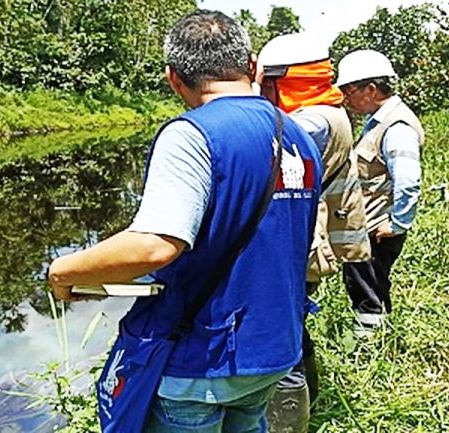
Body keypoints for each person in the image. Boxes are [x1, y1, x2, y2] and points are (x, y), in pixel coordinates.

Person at [47, 10, 322, 433]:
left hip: (202, 358)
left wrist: (64, 269)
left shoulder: (191, 134)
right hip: (274, 349)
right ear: (251, 67)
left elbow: (156, 245)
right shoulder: (297, 135)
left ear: (174, 78)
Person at [256, 32, 371, 429]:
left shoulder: (312, 121)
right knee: (294, 326)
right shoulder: (328, 110)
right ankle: (310, 401)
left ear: (287, 81)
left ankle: (290, 420)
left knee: (281, 334)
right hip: (308, 244)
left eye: (269, 84)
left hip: (299, 248)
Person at [335, 50, 425, 337]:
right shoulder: (377, 121)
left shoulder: (396, 126)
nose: (346, 98)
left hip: (377, 228)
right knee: (370, 284)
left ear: (371, 89)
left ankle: (367, 350)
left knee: (367, 289)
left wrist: (396, 223)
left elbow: (408, 180)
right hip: (368, 224)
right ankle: (380, 337)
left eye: (350, 91)